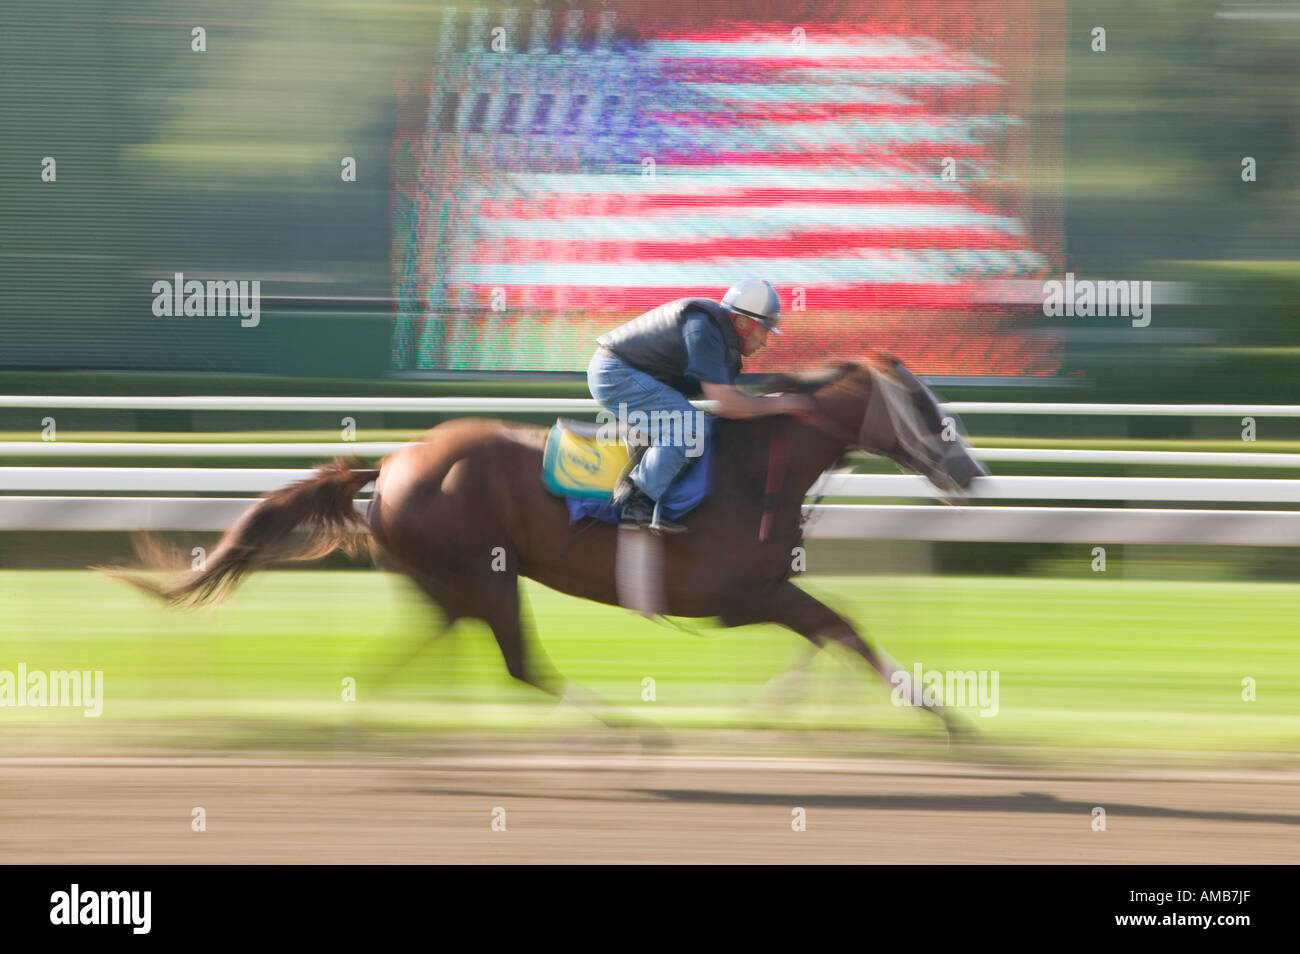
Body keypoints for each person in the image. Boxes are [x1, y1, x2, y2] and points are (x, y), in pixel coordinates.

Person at [587, 279, 813, 532]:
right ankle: (635, 499)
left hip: (629, 374)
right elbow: (729, 405)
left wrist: (772, 405)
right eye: (764, 331)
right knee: (690, 424)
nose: (765, 342)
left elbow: (730, 408)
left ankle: (667, 499)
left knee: (704, 428)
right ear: (742, 323)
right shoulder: (704, 329)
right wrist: (783, 404)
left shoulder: (718, 337)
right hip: (614, 372)